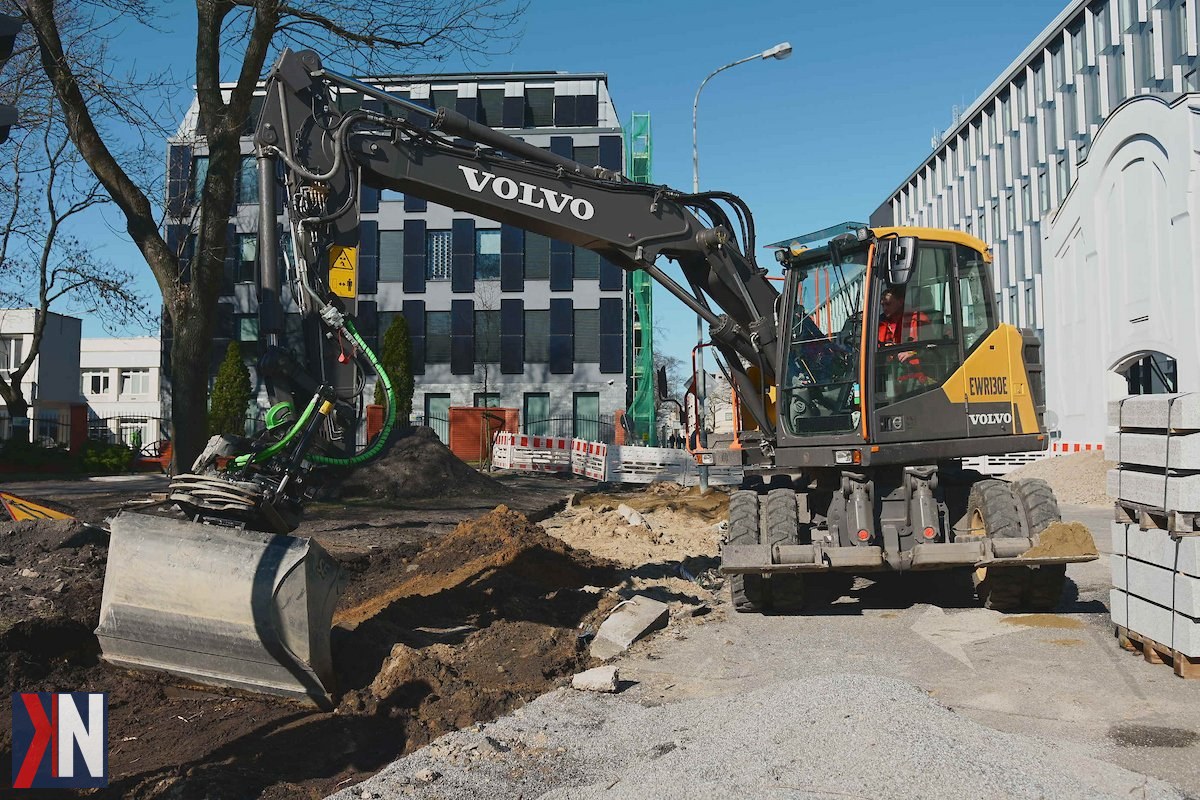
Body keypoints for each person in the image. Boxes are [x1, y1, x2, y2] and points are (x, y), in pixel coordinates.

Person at [877, 285, 931, 385]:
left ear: (900, 302)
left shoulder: (918, 319)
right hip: (889, 374)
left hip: (917, 375)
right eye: (882, 305)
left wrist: (912, 353)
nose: (884, 308)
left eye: (888, 304)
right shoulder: (879, 324)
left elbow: (932, 348)